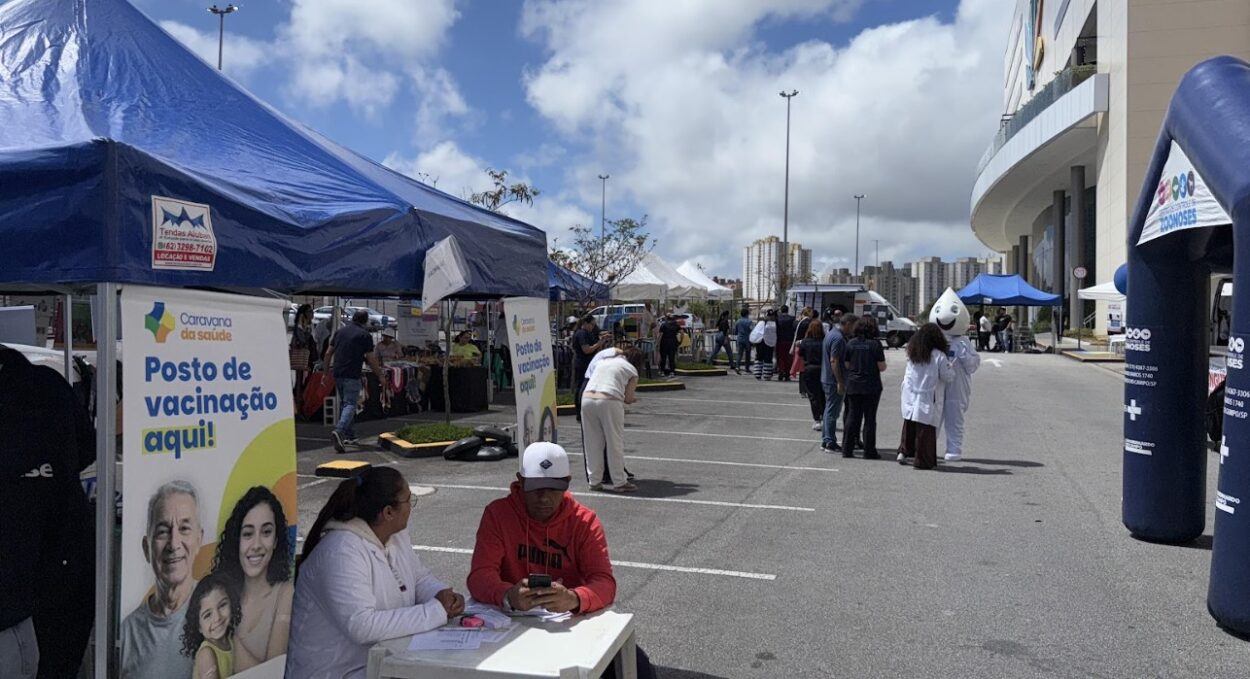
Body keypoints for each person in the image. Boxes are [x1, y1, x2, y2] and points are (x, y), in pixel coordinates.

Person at [467, 443, 656, 678]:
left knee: (636, 666)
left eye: (554, 488)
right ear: (521, 482)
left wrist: (574, 598)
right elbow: (480, 576)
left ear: (567, 482)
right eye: (536, 488)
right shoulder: (498, 514)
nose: (544, 498)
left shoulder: (584, 521)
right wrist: (508, 595)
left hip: (568, 624)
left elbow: (604, 582)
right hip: (510, 622)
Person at [287, 467, 465, 679]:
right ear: (388, 512)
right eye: (409, 500)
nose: (411, 506)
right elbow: (361, 626)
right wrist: (436, 611)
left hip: (378, 663)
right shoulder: (340, 551)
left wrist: (442, 596)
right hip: (335, 672)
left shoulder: (395, 535)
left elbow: (418, 578)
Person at [0, 347, 96, 679]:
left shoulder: (41, 388)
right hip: (66, 562)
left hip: (21, 586)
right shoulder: (49, 384)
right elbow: (86, 449)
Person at [119, 481, 205, 679]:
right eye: (163, 531)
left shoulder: (218, 616)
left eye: (184, 528)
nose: (173, 544)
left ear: (199, 539)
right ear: (146, 548)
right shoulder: (127, 633)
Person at [212, 486, 295, 671]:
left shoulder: (285, 593)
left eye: (266, 532)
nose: (256, 545)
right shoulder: (221, 594)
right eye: (248, 534)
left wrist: (225, 633)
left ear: (276, 540)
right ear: (236, 541)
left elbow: (273, 672)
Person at [324, 309, 388, 453]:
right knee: (350, 404)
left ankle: (349, 434)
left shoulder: (340, 332)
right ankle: (339, 431)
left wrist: (325, 372)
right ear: (365, 321)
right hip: (352, 373)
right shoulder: (364, 335)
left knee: (344, 403)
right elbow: (371, 359)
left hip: (338, 372)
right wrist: (380, 375)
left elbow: (328, 353)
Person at [930, 288, 981, 462]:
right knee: (932, 417)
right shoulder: (932, 340)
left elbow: (973, 366)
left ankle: (954, 449)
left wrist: (964, 355)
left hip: (957, 387)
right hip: (937, 385)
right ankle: (928, 447)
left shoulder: (964, 342)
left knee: (955, 418)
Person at [582, 347, 642, 492]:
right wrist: (633, 400)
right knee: (614, 442)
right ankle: (619, 481)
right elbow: (628, 398)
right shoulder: (631, 370)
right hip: (609, 400)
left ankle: (594, 481)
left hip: (587, 398)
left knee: (592, 442)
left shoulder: (603, 362)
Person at [898, 323, 954, 470]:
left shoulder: (913, 352)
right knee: (925, 429)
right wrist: (951, 367)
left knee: (909, 424)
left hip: (911, 393)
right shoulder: (939, 356)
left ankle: (904, 451)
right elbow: (947, 376)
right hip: (928, 395)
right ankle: (922, 461)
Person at [180, 570, 241, 679]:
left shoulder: (233, 640)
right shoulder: (206, 653)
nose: (217, 618)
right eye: (207, 615)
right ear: (199, 626)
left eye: (222, 605)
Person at [841, 317, 887, 459]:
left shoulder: (851, 343)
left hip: (853, 383)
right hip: (871, 384)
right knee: (870, 418)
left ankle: (847, 449)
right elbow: (882, 366)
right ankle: (869, 451)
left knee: (852, 416)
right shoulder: (875, 344)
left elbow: (846, 364)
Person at [820, 314, 856, 453]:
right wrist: (840, 382)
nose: (854, 330)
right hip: (833, 380)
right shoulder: (838, 338)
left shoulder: (832, 334)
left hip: (827, 378)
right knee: (832, 412)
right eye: (853, 326)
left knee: (829, 410)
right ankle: (829, 441)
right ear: (848, 324)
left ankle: (826, 440)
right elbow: (834, 360)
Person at [571, 316, 609, 417]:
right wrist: (599, 343)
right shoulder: (581, 334)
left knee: (588, 386)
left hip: (589, 363)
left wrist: (601, 341)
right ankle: (579, 410)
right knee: (581, 386)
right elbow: (587, 350)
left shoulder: (589, 333)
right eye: (592, 324)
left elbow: (594, 347)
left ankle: (586, 410)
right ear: (585, 323)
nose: (593, 327)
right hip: (582, 363)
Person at [799, 320, 826, 431]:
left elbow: (801, 355)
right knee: (823, 394)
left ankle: (817, 419)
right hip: (823, 369)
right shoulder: (825, 341)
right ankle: (824, 417)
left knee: (813, 396)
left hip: (810, 369)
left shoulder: (805, 342)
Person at [290, 304, 316, 407]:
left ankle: (301, 400)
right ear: (303, 314)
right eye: (309, 312)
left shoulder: (310, 325)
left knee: (305, 379)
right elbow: (302, 340)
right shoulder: (300, 326)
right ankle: (298, 401)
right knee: (300, 379)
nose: (312, 314)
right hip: (302, 356)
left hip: (309, 356)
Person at [750, 310, 778, 380]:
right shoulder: (774, 324)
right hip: (768, 343)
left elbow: (756, 332)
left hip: (760, 342)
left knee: (759, 357)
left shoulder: (761, 323)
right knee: (767, 358)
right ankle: (767, 374)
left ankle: (758, 373)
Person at [775, 305, 797, 382]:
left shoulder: (777, 319)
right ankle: (787, 374)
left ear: (781, 310)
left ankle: (781, 372)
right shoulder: (792, 318)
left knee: (780, 357)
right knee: (788, 358)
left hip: (780, 340)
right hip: (789, 340)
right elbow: (794, 329)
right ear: (788, 310)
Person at [733, 307, 754, 375]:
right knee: (748, 354)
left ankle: (737, 367)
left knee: (739, 354)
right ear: (747, 314)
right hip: (747, 339)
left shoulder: (738, 321)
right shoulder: (749, 322)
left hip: (740, 339)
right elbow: (752, 330)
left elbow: (735, 331)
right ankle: (747, 368)